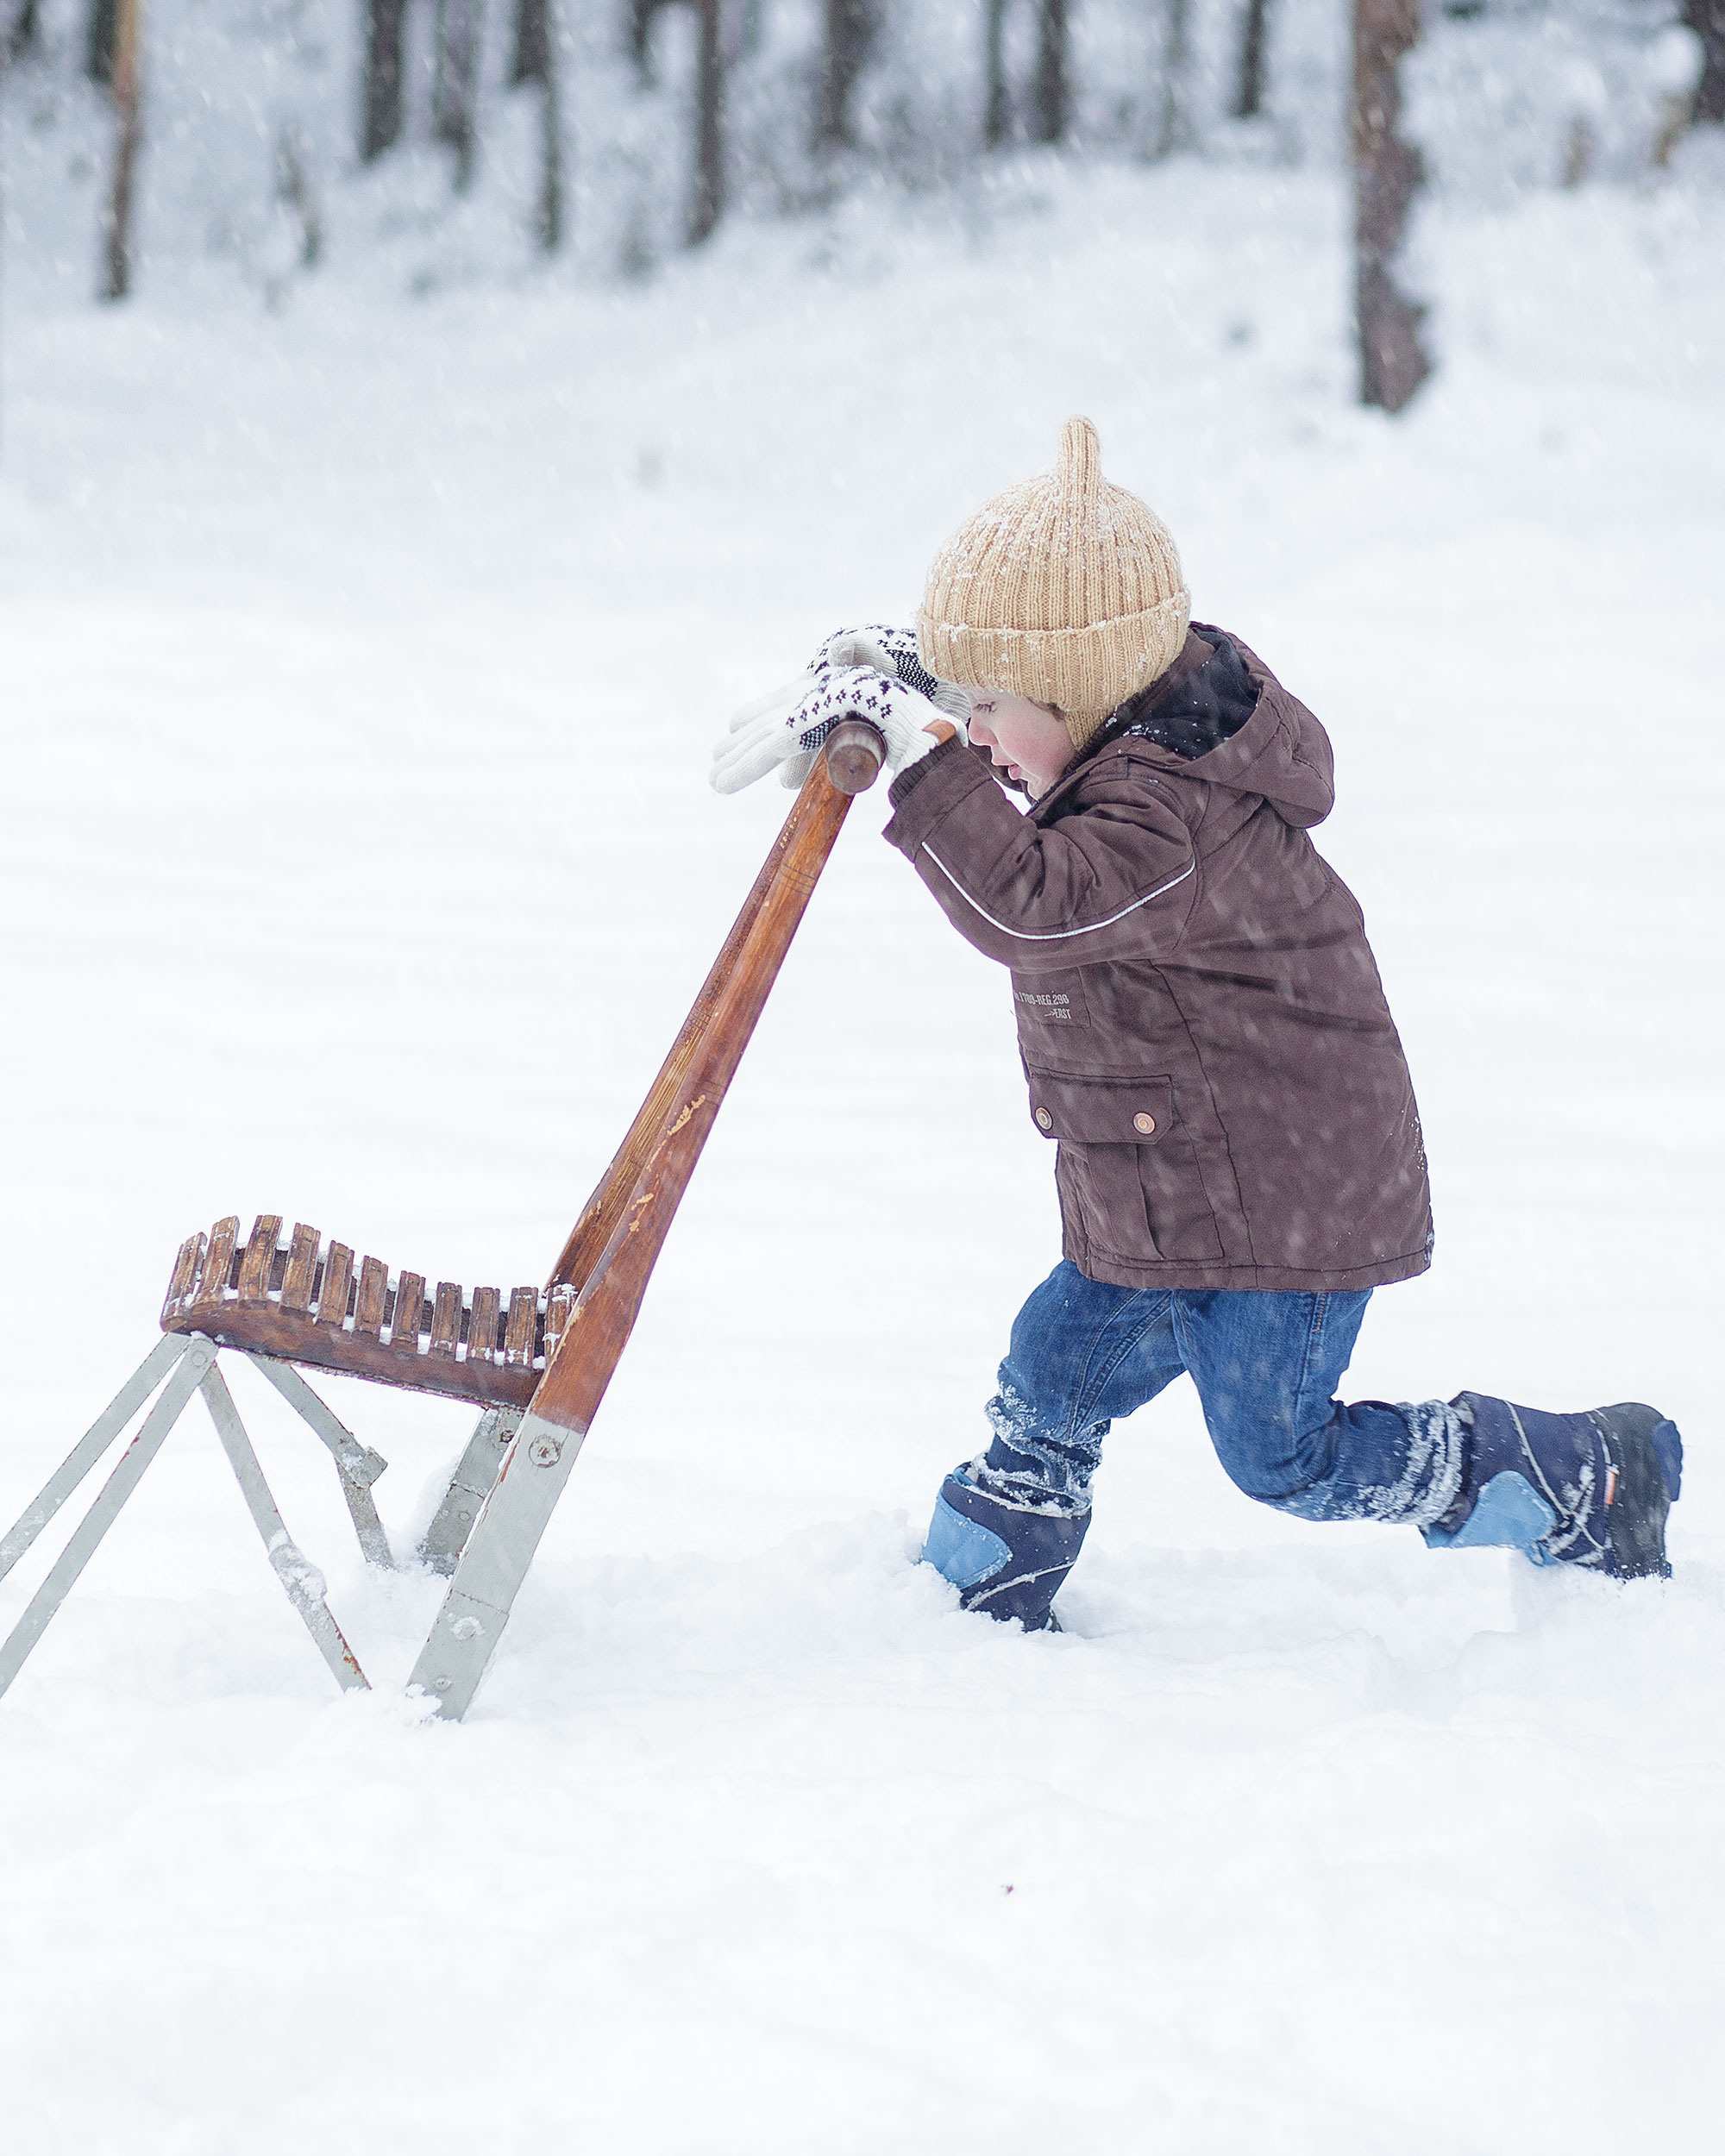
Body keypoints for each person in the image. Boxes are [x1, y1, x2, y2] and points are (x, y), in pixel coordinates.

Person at [711, 417, 1682, 1630]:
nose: (981, 739)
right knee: (1054, 1362)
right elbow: (1034, 774)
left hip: (1282, 1195)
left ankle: (1586, 1479)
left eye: (990, 707)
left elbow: (1032, 908)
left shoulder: (1172, 812)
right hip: (1173, 1177)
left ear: (1081, 694)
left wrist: (918, 759)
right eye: (967, 704)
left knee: (1280, 1452)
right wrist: (917, 681)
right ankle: (982, 1582)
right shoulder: (1118, 731)